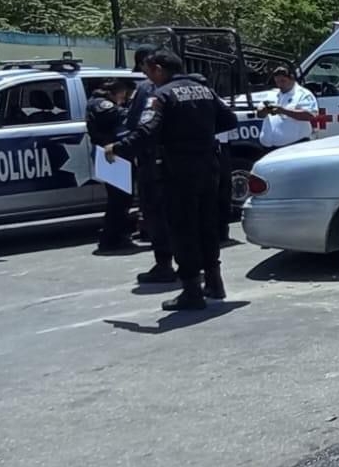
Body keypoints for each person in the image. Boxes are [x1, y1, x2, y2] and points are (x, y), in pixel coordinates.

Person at [106, 50, 239, 311]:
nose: (146, 77)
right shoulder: (204, 90)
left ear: (158, 68)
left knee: (183, 229)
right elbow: (229, 119)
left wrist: (118, 149)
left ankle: (191, 291)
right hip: (208, 165)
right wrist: (199, 133)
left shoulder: (161, 95)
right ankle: (214, 281)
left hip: (179, 169)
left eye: (147, 71)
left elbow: (146, 131)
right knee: (207, 225)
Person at [124, 45, 174, 284]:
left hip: (153, 162)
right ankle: (203, 274)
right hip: (185, 162)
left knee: (156, 214)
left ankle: (165, 265)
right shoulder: (196, 86)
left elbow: (136, 123)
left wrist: (124, 148)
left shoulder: (146, 89)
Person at [86, 79, 134, 253]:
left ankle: (118, 234)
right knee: (118, 199)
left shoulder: (100, 101)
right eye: (123, 94)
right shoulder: (102, 104)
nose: (124, 97)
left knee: (121, 198)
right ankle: (110, 238)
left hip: (113, 153)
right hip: (110, 154)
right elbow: (120, 115)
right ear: (116, 92)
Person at [258, 66, 318, 149]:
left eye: (283, 81)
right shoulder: (271, 94)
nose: (280, 84)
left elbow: (310, 115)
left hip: (295, 146)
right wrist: (264, 110)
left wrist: (283, 111)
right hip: (269, 147)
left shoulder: (303, 94)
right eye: (277, 81)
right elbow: (259, 114)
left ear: (292, 79)